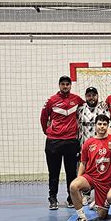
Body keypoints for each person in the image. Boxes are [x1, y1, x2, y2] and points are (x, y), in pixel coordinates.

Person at [69, 115, 111, 221]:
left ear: (108, 126)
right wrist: (79, 179)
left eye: (104, 124)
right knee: (73, 186)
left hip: (105, 182)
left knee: (102, 216)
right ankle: (82, 218)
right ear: (95, 126)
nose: (102, 127)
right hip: (90, 177)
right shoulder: (88, 142)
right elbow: (83, 163)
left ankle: (99, 202)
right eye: (99, 124)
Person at [40, 75, 84, 210]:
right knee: (54, 172)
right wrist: (47, 131)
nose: (65, 86)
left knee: (71, 172)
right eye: (63, 84)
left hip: (71, 141)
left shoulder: (77, 99)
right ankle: (52, 198)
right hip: (54, 142)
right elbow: (43, 117)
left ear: (70, 86)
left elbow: (88, 105)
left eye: (67, 84)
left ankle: (71, 199)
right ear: (59, 85)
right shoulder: (51, 100)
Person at [77, 86, 111, 205]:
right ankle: (86, 194)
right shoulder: (80, 109)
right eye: (89, 95)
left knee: (101, 169)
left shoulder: (103, 109)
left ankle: (102, 195)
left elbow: (110, 125)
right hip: (85, 145)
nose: (91, 98)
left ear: (97, 96)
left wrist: (107, 143)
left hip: (100, 145)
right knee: (85, 169)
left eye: (93, 95)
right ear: (86, 96)